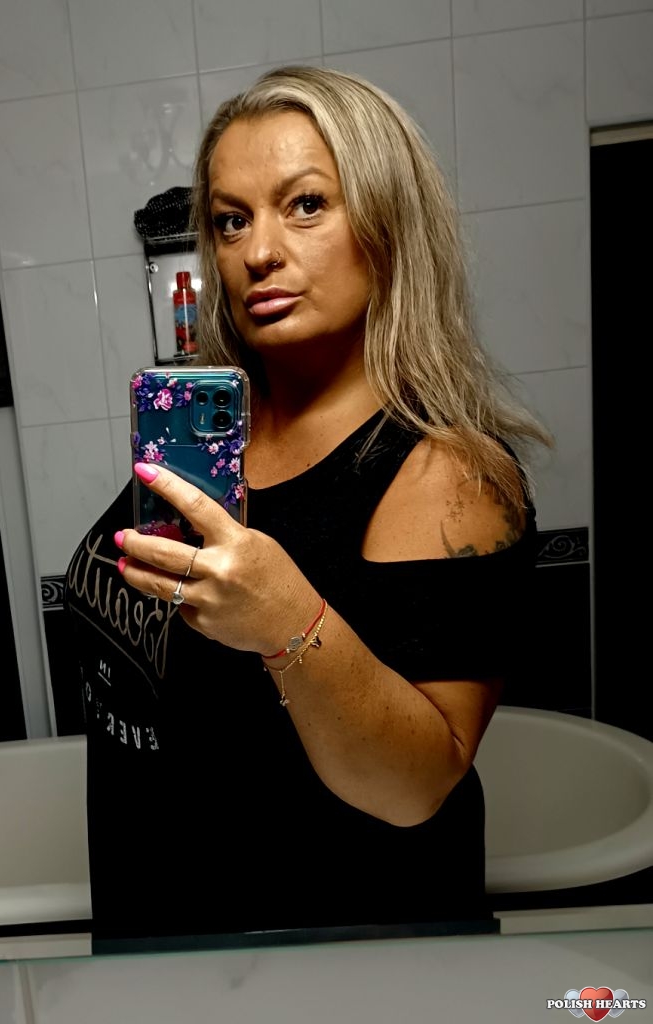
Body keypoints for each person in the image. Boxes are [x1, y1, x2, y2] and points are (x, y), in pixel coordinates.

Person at [65, 65, 553, 941]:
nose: (258, 251)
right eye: (231, 220)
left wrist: (286, 618)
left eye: (305, 205)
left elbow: (417, 787)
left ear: (387, 224)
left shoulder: (446, 475)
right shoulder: (211, 435)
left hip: (332, 959)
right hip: (170, 942)